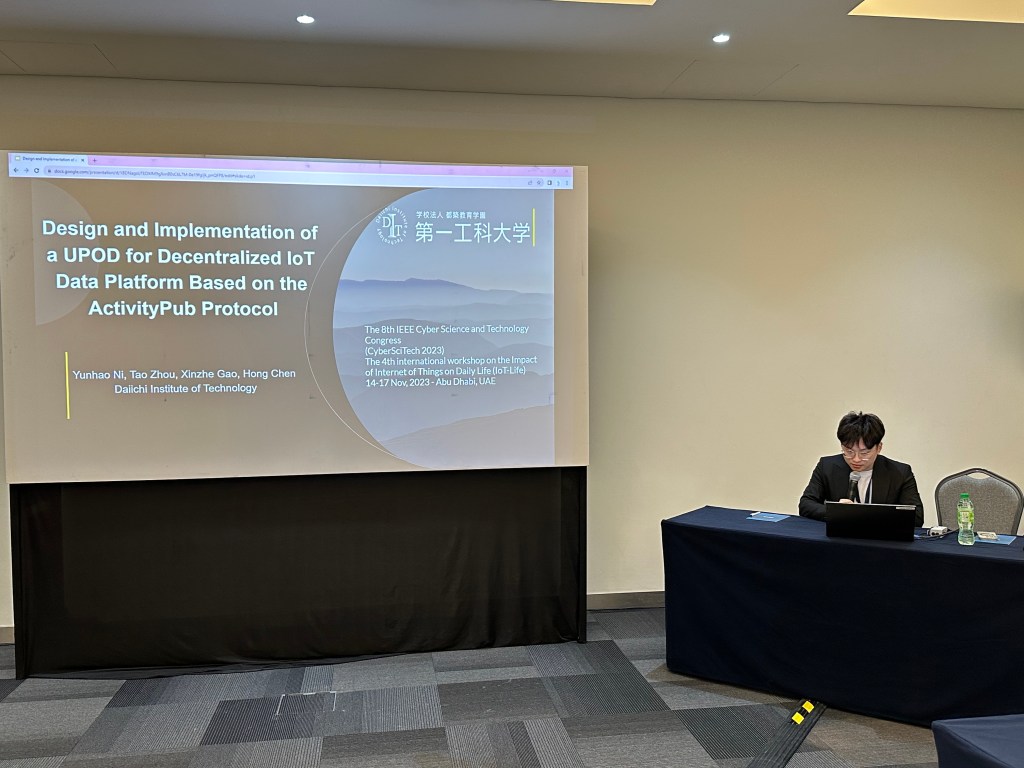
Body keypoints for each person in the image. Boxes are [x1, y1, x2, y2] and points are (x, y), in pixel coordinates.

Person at [799, 411, 924, 525]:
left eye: (864, 453)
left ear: (879, 448)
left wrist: (863, 515)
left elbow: (917, 517)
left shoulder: (900, 472)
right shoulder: (827, 466)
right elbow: (806, 504)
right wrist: (836, 512)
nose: (856, 459)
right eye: (849, 452)